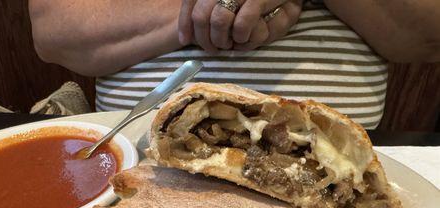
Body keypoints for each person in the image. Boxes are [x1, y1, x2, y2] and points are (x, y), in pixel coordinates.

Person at [29, 0, 440, 129]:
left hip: (340, 173)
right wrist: (211, 11)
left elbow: (427, 37)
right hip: (136, 165)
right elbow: (55, 33)